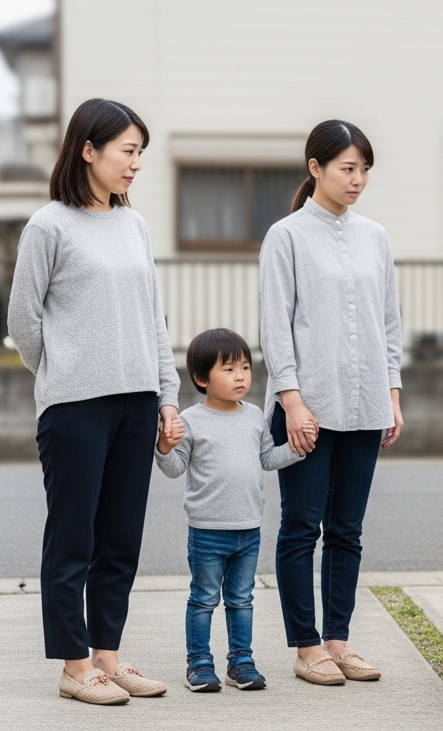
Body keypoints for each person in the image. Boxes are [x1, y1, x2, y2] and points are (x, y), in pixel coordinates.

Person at [8, 98, 178, 705]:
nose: (136, 164)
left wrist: (167, 396)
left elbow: (153, 319)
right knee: (73, 537)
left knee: (121, 538)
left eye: (140, 153)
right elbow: (22, 320)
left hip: (137, 404)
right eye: (127, 151)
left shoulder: (133, 225)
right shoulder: (48, 226)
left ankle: (108, 655)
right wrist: (61, 372)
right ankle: (75, 665)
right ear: (88, 150)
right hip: (75, 407)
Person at [259, 119, 403, 687]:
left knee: (348, 529)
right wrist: (292, 402)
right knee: (301, 527)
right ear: (315, 168)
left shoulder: (376, 236)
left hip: (367, 404)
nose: (358, 179)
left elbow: (389, 324)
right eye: (348, 168)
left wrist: (392, 394)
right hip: (307, 407)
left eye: (364, 168)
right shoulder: (286, 235)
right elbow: (276, 327)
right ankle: (306, 646)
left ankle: (339, 642)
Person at [154, 328, 310, 693]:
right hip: (207, 530)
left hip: (248, 529)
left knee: (241, 600)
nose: (240, 376)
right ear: (200, 378)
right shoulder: (191, 420)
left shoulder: (255, 415)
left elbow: (268, 458)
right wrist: (164, 444)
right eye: (228, 369)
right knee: (204, 599)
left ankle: (241, 662)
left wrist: (299, 448)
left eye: (244, 367)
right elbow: (175, 468)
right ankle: (199, 663)